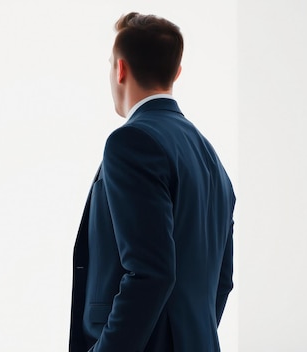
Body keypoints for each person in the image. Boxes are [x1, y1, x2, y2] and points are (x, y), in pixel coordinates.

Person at [69, 12, 235, 352]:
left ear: (120, 69)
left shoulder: (131, 142)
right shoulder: (211, 160)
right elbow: (222, 280)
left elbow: (150, 274)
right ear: (176, 72)